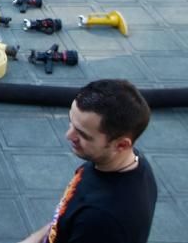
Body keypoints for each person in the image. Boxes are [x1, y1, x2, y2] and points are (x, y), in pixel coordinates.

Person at [17, 79, 156, 243]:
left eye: (83, 135)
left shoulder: (102, 222)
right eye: (71, 123)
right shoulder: (115, 161)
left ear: (121, 145)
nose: (68, 136)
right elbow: (62, 219)